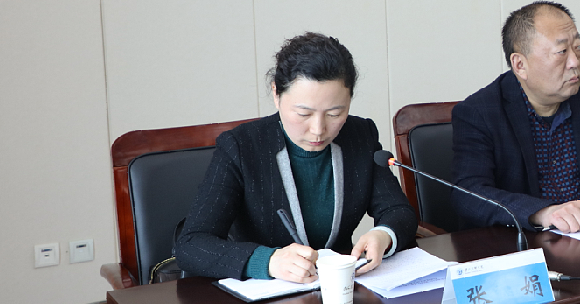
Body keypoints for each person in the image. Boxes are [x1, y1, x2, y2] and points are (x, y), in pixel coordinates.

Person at [175, 33, 417, 282]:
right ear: (276, 94)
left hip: (341, 290)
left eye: (335, 114)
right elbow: (191, 244)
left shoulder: (360, 136)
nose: (318, 129)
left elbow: (398, 210)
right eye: (303, 114)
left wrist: (384, 234)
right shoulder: (241, 146)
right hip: (265, 296)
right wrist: (268, 261)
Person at [451, 1, 580, 233]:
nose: (575, 61)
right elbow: (468, 194)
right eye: (562, 52)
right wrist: (541, 213)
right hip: (522, 241)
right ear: (520, 65)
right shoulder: (480, 112)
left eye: (578, 47)